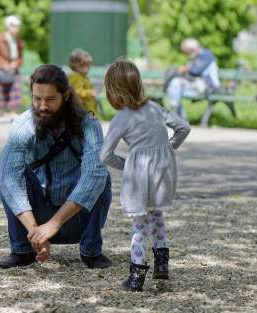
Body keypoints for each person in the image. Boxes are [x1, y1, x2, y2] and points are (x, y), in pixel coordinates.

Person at [0, 64, 113, 269]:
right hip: (35, 218)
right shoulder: (23, 125)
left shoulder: (89, 125)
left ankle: (91, 251)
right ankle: (23, 250)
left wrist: (54, 223)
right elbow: (8, 179)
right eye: (37, 99)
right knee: (10, 174)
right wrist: (36, 233)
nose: (42, 106)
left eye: (50, 99)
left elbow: (94, 174)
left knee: (99, 174)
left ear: (66, 96)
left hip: (76, 217)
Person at [100, 60, 190, 291]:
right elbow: (183, 127)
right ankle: (162, 267)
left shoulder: (121, 118)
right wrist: (169, 148)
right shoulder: (156, 108)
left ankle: (136, 278)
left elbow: (105, 155)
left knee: (139, 225)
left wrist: (127, 165)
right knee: (157, 216)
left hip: (140, 175)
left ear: (113, 91)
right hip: (163, 171)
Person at [165, 38, 220, 120]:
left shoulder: (206, 55)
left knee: (175, 85)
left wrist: (184, 69)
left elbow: (195, 71)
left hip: (209, 87)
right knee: (174, 86)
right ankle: (181, 117)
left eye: (186, 52)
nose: (186, 54)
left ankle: (177, 115)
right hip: (198, 85)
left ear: (191, 49)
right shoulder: (196, 56)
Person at [0, 15, 24, 123]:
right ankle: (1, 115)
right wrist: (4, 64)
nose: (16, 29)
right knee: (1, 94)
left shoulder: (18, 40)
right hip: (0, 70)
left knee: (16, 93)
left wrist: (16, 64)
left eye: (18, 26)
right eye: (14, 26)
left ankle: (14, 114)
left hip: (14, 70)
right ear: (8, 26)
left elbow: (20, 57)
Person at [68, 48, 99, 117]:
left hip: (88, 109)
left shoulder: (83, 76)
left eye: (88, 65)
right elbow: (76, 91)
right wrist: (90, 92)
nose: (86, 68)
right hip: (82, 110)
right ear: (74, 65)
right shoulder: (76, 76)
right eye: (82, 65)